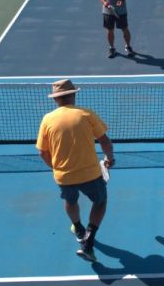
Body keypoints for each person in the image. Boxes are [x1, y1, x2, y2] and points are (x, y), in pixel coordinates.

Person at [37, 79, 115, 263]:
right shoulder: (86, 114)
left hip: (63, 176)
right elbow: (104, 140)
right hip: (90, 174)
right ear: (73, 95)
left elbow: (42, 151)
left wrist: (56, 168)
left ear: (55, 99)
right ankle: (88, 242)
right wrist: (109, 158)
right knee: (100, 202)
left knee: (70, 201)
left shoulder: (47, 119)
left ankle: (78, 228)